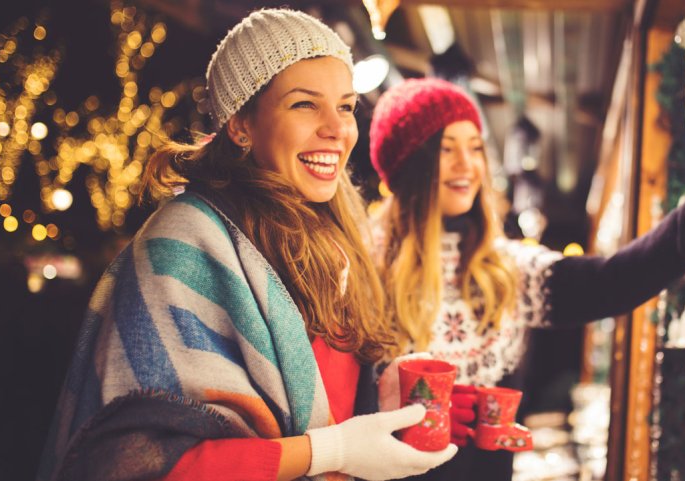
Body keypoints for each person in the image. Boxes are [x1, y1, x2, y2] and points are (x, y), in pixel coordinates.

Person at [36, 10, 456, 481]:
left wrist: (386, 397)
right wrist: (331, 451)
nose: (337, 129)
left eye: (345, 106)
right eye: (304, 105)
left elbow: (331, 403)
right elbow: (133, 465)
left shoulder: (337, 239)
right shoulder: (183, 244)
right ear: (240, 125)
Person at [368, 78, 685, 480]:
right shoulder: (364, 267)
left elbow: (613, 281)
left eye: (476, 147)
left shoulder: (505, 269)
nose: (467, 165)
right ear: (409, 162)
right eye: (446, 149)